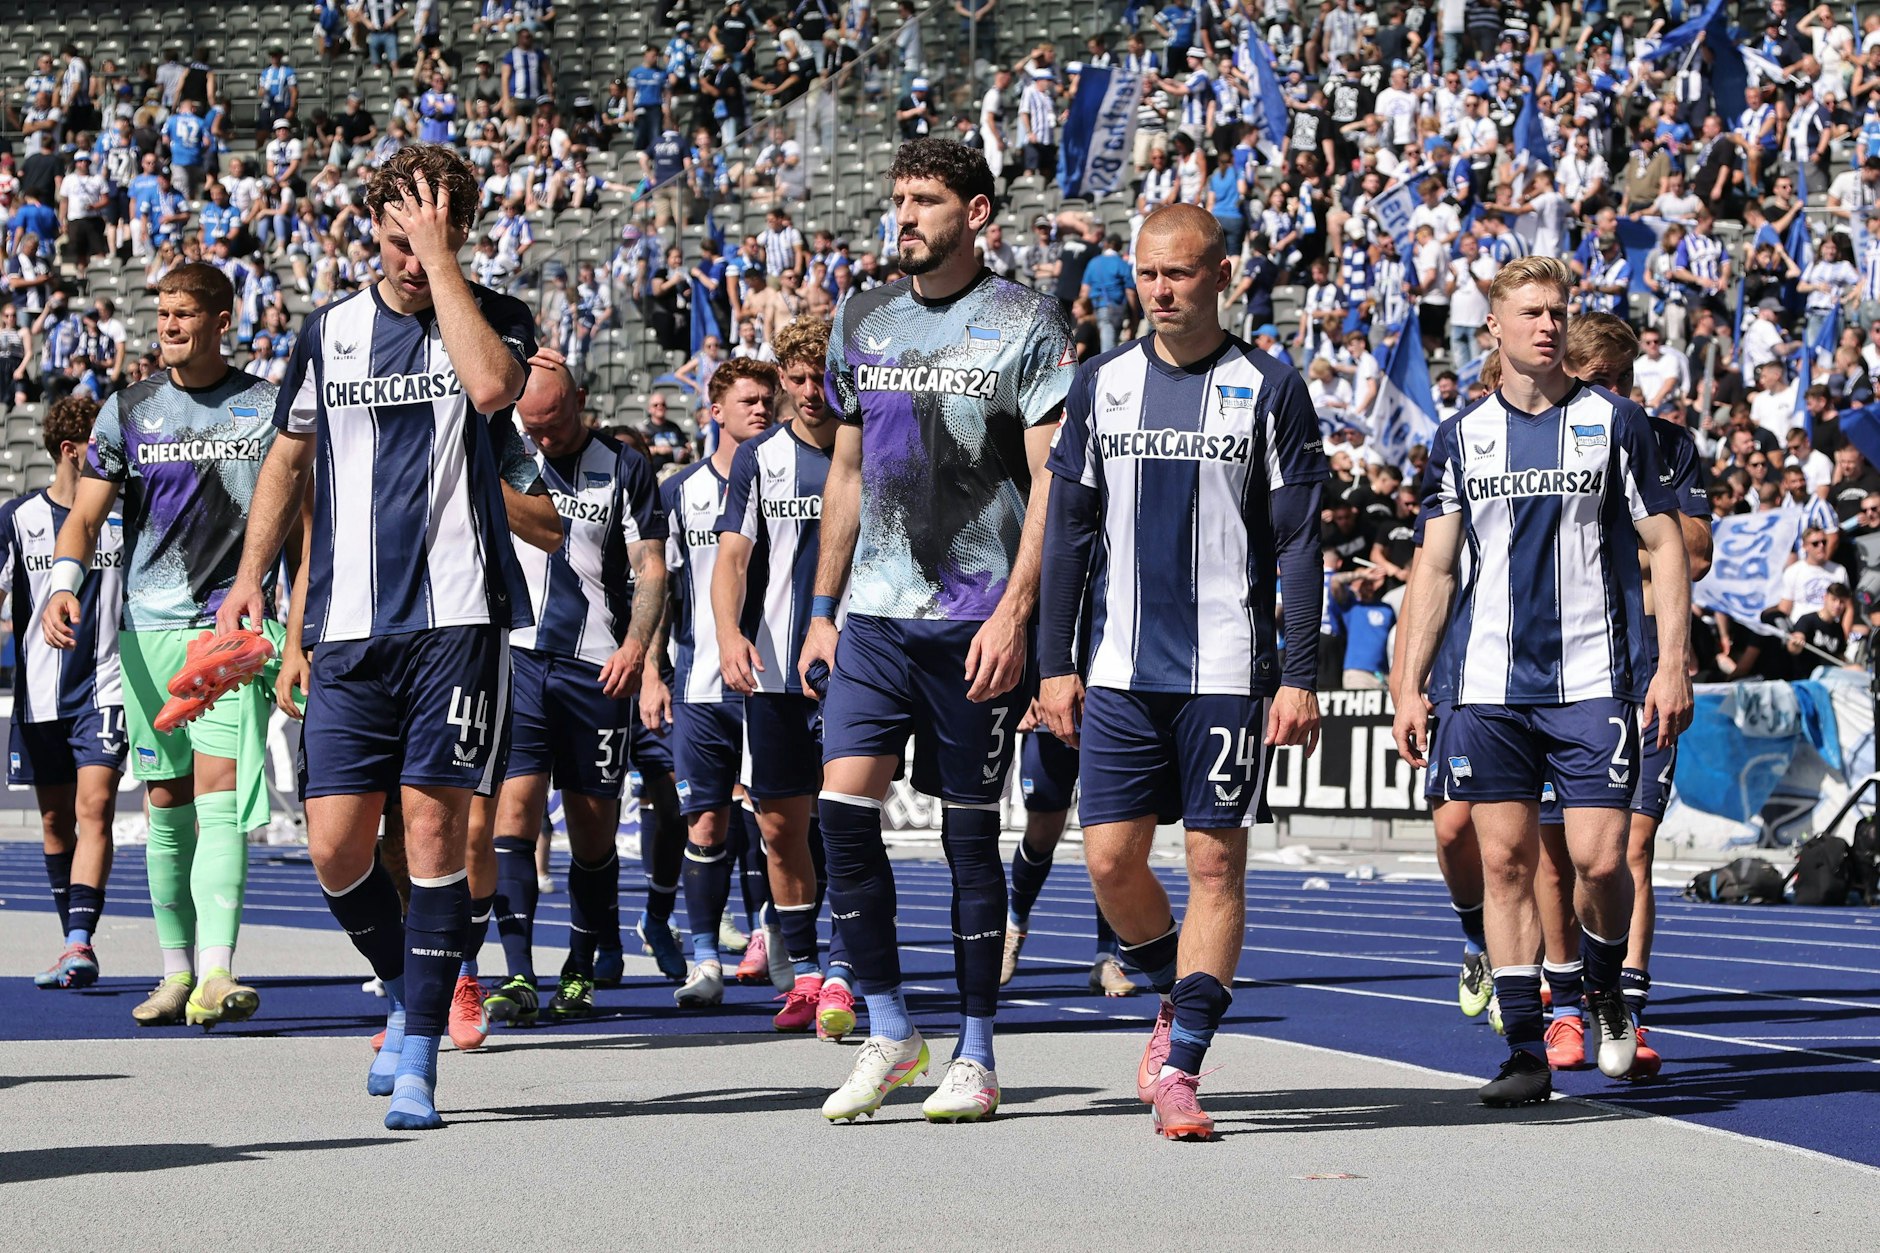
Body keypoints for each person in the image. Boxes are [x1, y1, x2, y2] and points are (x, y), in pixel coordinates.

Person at [217, 145, 560, 1132]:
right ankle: (412, 986)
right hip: (348, 624)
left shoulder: (492, 317)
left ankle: (416, 1048)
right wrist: (250, 578)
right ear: (369, 224)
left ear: (457, 228)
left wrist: (441, 261)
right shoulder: (329, 332)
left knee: (431, 828)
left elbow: (494, 390)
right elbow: (288, 457)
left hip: (455, 617)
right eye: (399, 227)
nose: (412, 247)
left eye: (435, 226)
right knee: (332, 847)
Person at [800, 137, 1076, 1124]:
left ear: (976, 213)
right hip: (872, 617)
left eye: (925, 199)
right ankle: (886, 1026)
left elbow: (1051, 479)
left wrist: (1014, 613)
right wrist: (822, 609)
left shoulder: (1024, 322)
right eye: (898, 197)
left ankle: (976, 1048)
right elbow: (842, 472)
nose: (904, 214)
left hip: (972, 622)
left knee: (968, 839)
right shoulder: (860, 315)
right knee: (838, 814)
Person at [1036, 203, 1325, 1140]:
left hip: (1227, 670)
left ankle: (1184, 1061)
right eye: (1148, 274)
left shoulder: (1269, 387)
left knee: (1213, 862)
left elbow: (1299, 544)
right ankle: (1174, 993)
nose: (1161, 291)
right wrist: (1054, 663)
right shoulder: (1099, 384)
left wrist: (1299, 672)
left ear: (1221, 275)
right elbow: (1070, 533)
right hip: (1116, 667)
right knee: (1111, 862)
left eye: (1181, 273)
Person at [1394, 256, 1694, 1108]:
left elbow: (1667, 546)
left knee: (1602, 860)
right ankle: (1524, 1047)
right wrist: (1411, 682)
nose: (1548, 325)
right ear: (1493, 327)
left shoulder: (1614, 421)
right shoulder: (1461, 436)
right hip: (1488, 687)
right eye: (1530, 312)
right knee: (1505, 862)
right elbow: (1438, 565)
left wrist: (1669, 663)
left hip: (1594, 678)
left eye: (1558, 311)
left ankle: (1602, 989)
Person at [44, 264, 281, 1030]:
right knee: (165, 803)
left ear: (222, 318)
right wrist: (64, 580)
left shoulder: (267, 408)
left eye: (185, 314)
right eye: (164, 313)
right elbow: (82, 517)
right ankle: (176, 970)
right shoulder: (129, 409)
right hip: (146, 631)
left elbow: (303, 524)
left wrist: (297, 624)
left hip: (228, 630)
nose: (170, 325)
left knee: (220, 798)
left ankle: (217, 970)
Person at [1530, 312, 1714, 1080]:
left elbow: (1695, 554)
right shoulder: (1539, 439)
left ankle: (1625, 1003)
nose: (1614, 395)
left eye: (1622, 380)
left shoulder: (1665, 443)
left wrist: (1621, 557)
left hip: (1642, 671)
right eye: (1597, 381)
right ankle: (1563, 1003)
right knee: (1551, 851)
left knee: (1627, 849)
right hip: (1553, 672)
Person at [474, 356, 667, 1030]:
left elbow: (650, 567)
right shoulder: (507, 453)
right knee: (514, 815)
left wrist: (637, 648)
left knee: (592, 829)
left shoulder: (625, 465)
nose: (545, 438)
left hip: (596, 666)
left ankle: (581, 965)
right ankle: (518, 969)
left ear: (581, 402)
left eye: (555, 424)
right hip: (521, 659)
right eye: (534, 426)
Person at [711, 314, 859, 1037]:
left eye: (820, 377)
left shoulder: (871, 453)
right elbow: (732, 557)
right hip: (771, 672)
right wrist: (728, 631)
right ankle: (804, 972)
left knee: (848, 820)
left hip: (856, 669)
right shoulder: (758, 459)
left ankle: (844, 969)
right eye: (795, 378)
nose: (807, 391)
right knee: (778, 828)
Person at [658, 355, 788, 1010]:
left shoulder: (791, 480)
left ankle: (783, 939)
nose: (760, 408)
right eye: (747, 400)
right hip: (703, 684)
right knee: (705, 824)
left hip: (776, 683)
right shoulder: (682, 492)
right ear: (714, 412)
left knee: (779, 822)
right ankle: (705, 953)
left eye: (768, 398)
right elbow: (659, 588)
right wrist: (654, 671)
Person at [4, 396, 126, 990]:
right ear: (70, 451)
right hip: (39, 697)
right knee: (55, 822)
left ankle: (81, 940)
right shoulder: (19, 518)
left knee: (94, 808)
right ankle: (69, 942)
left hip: (106, 689)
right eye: (98, 451)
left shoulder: (125, 516)